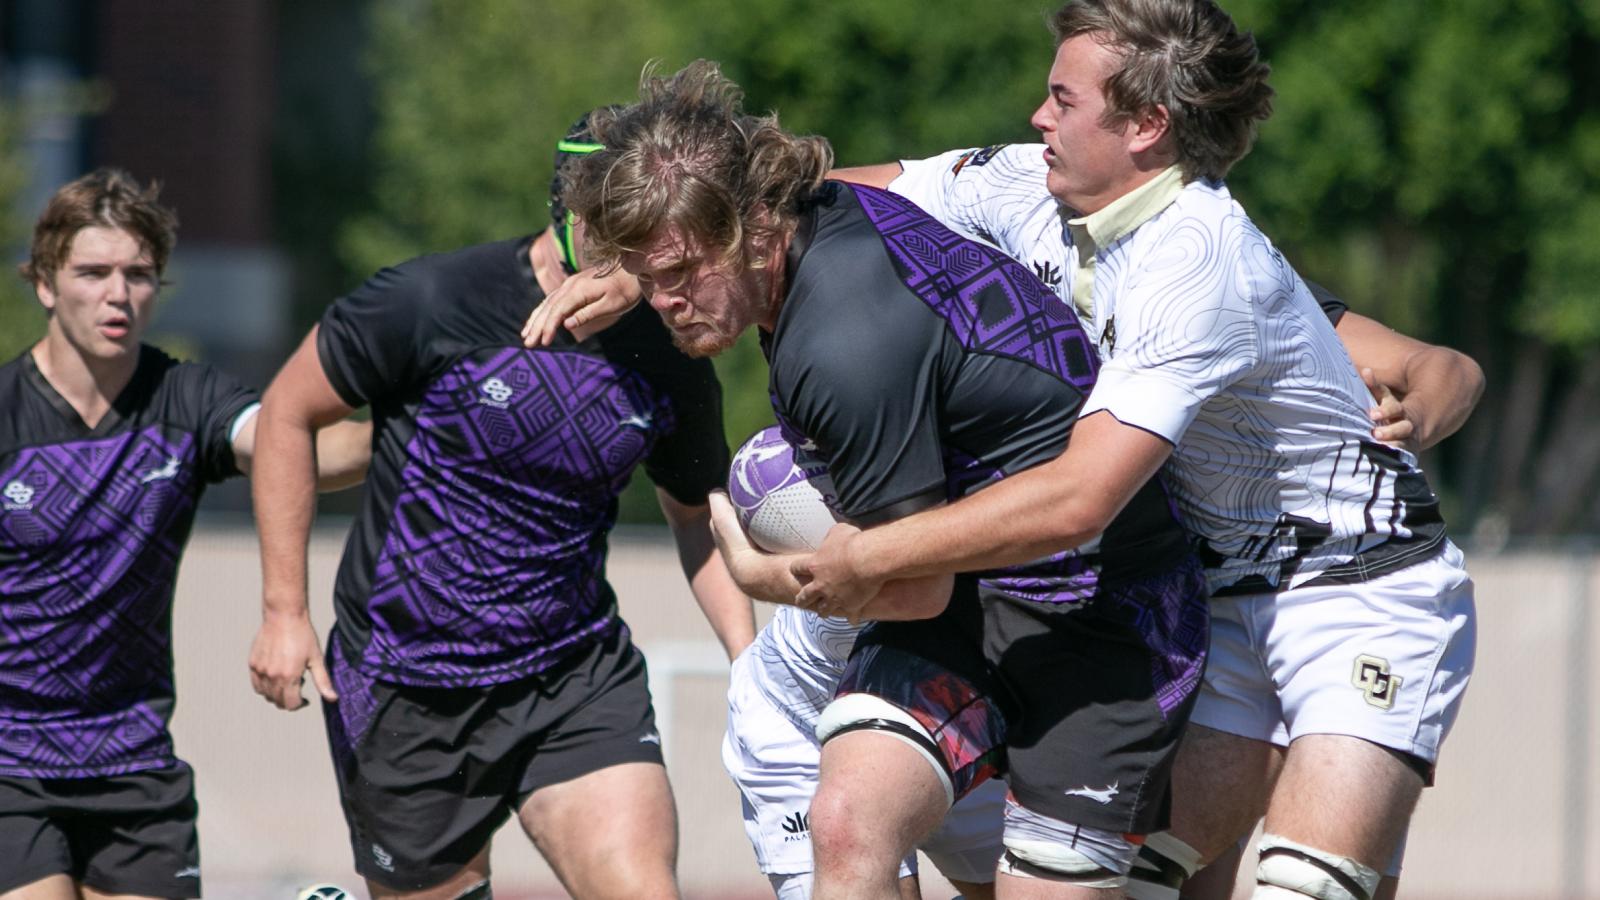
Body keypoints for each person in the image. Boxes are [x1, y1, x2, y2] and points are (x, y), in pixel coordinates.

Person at [787, 4, 1478, 900]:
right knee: (1154, 882)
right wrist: (667, 243)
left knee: (1304, 885)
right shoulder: (1027, 186)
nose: (1039, 116)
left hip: (1359, 589)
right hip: (1209, 597)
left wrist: (867, 555)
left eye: (1062, 99)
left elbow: (1078, 500)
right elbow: (832, 199)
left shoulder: (1198, 266)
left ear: (1147, 126)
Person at [562, 60, 1213, 899]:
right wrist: (638, 262)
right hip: (976, 598)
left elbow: (911, 591)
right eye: (651, 282)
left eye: (682, 274)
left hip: (1104, 619)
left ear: (755, 227)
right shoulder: (819, 208)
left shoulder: (838, 342)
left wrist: (763, 577)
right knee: (847, 821)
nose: (666, 303)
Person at [246, 114, 751, 900]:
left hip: (573, 674)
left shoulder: (668, 345)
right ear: (571, 210)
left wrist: (748, 660)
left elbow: (693, 518)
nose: (637, 254)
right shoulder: (434, 300)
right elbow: (286, 412)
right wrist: (284, 609)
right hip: (407, 685)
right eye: (616, 226)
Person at [0, 169, 368, 900]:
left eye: (138, 275)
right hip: (9, 764)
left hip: (134, 761)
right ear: (45, 284)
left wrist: (436, 409)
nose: (117, 293)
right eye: (93, 272)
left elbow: (307, 449)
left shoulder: (185, 399)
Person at [723, 429, 1009, 900]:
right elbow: (708, 505)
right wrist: (740, 645)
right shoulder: (849, 408)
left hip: (938, 701)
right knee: (852, 862)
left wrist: (748, 568)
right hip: (796, 715)